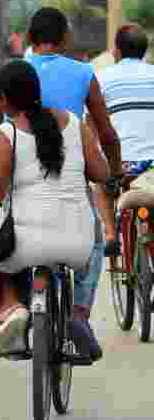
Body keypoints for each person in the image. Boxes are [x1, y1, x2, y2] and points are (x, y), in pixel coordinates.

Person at [0, 7, 122, 362]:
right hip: (71, 172)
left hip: (19, 174)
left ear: (28, 38)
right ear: (66, 38)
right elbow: (105, 134)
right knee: (90, 241)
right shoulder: (82, 78)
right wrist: (115, 174)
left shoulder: (12, 77)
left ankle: (16, 311)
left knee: (2, 238)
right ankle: (78, 315)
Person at [0, 60, 109, 356]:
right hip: (80, 244)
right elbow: (102, 174)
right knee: (2, 245)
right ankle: (71, 314)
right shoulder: (73, 123)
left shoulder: (8, 133)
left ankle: (10, 311)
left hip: (24, 246)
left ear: (1, 100)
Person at [95, 24, 154, 255]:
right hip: (152, 165)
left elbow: (93, 128)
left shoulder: (101, 78)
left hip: (122, 164)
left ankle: (110, 234)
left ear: (116, 51)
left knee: (99, 183)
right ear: (144, 51)